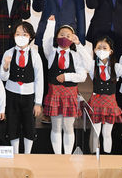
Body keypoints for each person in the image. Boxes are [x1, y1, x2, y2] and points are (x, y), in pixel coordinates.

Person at [41, 18, 87, 155]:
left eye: (68, 36)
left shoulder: (76, 55)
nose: (64, 38)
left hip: (70, 96)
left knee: (68, 127)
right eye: (61, 35)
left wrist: (67, 76)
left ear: (73, 39)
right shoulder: (51, 53)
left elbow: (82, 76)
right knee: (56, 127)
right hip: (54, 95)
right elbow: (46, 41)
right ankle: (57, 156)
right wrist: (51, 24)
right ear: (56, 37)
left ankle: (67, 156)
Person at [0, 21, 43, 154]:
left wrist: (38, 102)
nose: (21, 37)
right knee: (13, 124)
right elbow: (3, 77)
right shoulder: (8, 53)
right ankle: (15, 153)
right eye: (18, 34)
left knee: (29, 125)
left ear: (30, 37)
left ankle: (27, 154)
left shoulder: (35, 55)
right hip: (11, 94)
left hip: (29, 95)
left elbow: (39, 79)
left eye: (24, 34)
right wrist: (6, 66)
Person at [79, 36, 122, 154]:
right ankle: (94, 155)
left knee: (107, 133)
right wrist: (78, 44)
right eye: (99, 48)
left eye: (105, 48)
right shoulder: (92, 65)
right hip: (96, 102)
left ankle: (107, 156)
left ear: (111, 51)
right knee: (95, 132)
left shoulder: (116, 67)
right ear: (94, 50)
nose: (101, 50)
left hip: (110, 103)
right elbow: (84, 56)